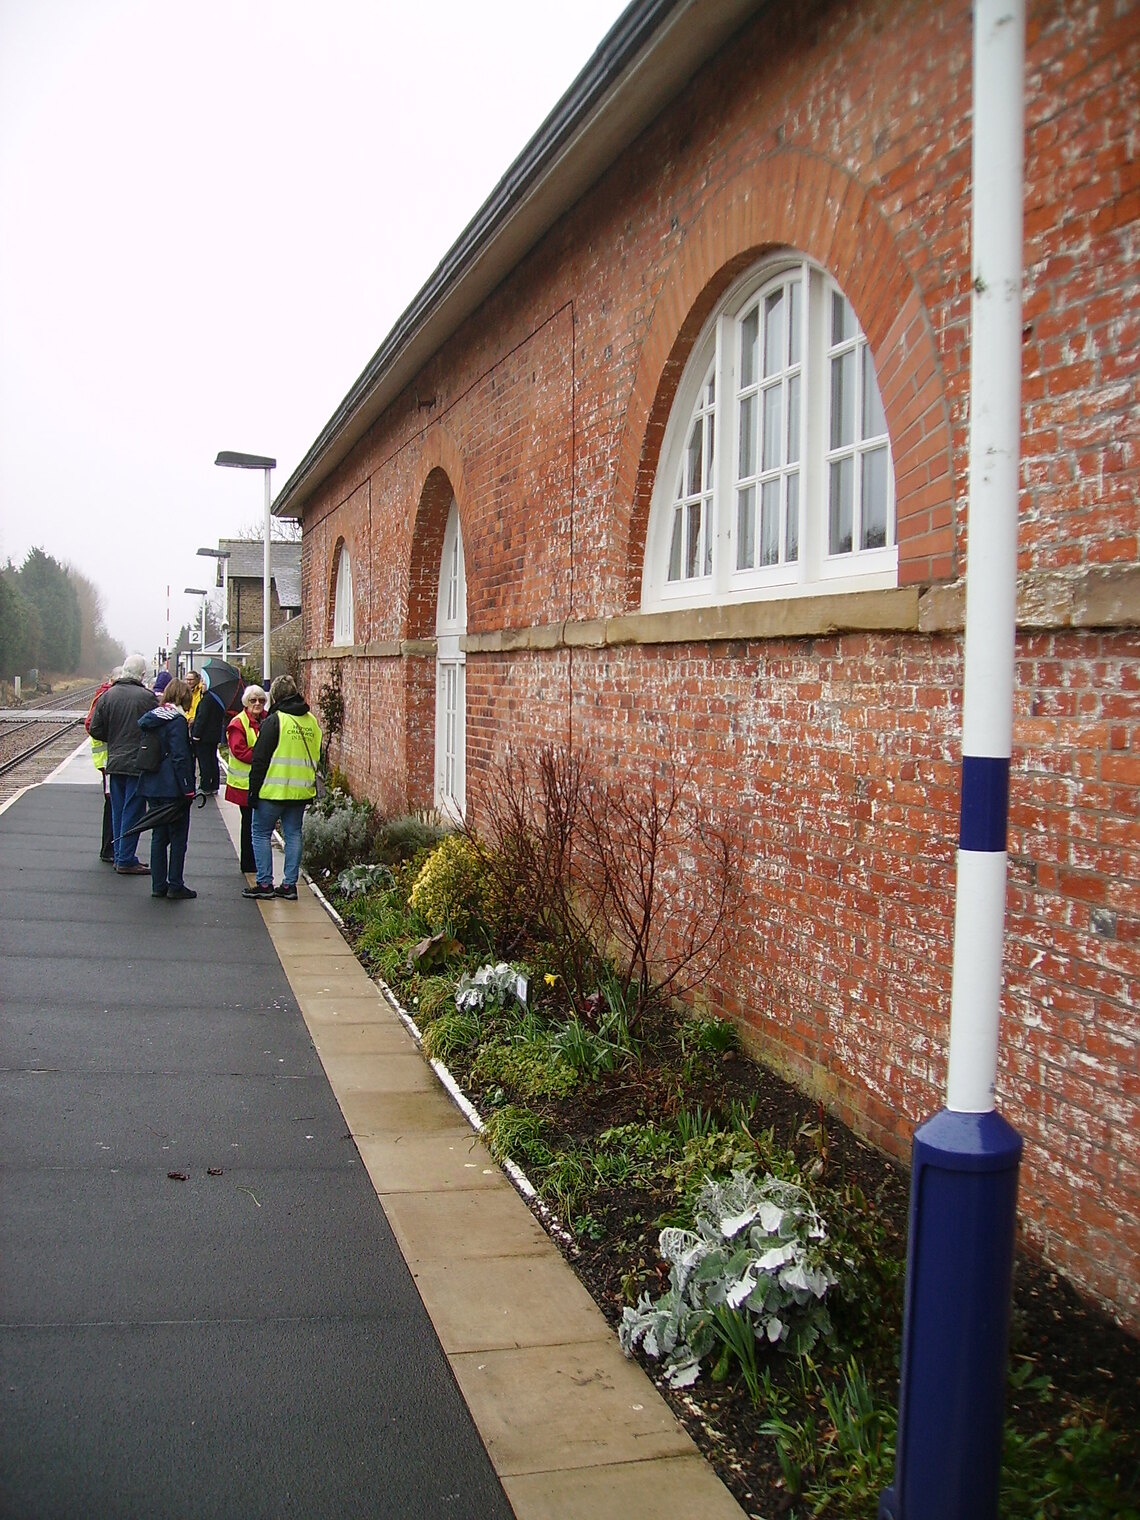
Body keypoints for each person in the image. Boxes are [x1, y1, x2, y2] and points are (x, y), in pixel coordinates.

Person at [243, 675, 322, 901]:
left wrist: (253, 791)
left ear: (275, 697)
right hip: (300, 792)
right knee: (294, 835)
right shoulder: (311, 721)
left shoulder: (275, 721)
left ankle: (265, 883)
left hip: (272, 791)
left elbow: (260, 760)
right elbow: (317, 754)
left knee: (260, 833)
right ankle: (289, 885)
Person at [87, 653, 158, 874]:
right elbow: (157, 728)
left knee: (117, 810)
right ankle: (126, 858)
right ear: (142, 674)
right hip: (138, 762)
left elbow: (94, 728)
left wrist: (115, 738)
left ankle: (119, 854)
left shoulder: (107, 696)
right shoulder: (147, 698)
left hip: (115, 761)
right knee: (133, 810)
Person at [136, 678, 197, 899]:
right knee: (178, 837)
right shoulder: (177, 721)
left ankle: (158, 884)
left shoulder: (153, 717)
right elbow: (180, 757)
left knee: (159, 836)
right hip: (173, 787)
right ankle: (175, 885)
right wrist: (188, 788)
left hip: (153, 783)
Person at [224, 684, 267, 874]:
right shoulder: (238, 723)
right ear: (246, 702)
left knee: (257, 824)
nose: (257, 703)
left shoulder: (266, 720)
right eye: (253, 700)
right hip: (244, 784)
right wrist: (263, 757)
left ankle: (255, 861)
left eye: (261, 700)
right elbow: (239, 751)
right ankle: (249, 863)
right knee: (249, 823)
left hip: (261, 782)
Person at [85, 665, 120, 863]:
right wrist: (114, 736)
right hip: (109, 758)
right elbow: (91, 725)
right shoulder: (106, 697)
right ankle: (109, 848)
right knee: (113, 802)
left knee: (113, 802)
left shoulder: (104, 695)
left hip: (109, 757)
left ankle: (110, 847)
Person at [192, 679, 228, 795]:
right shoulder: (218, 699)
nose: (201, 686)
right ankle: (214, 784)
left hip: (204, 736)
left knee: (205, 761)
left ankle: (206, 785)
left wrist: (196, 734)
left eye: (203, 683)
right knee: (213, 760)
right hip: (214, 735)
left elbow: (202, 717)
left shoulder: (207, 699)